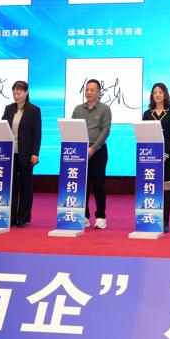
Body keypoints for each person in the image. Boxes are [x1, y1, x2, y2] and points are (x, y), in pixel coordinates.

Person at [1, 80, 42, 227]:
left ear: (26, 93)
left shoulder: (34, 110)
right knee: (11, 185)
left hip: (26, 153)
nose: (16, 96)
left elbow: (37, 133)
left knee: (26, 186)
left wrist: (35, 153)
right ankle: (11, 216)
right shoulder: (8, 109)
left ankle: (23, 217)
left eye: (19, 93)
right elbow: (2, 127)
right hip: (9, 153)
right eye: (14, 93)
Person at [72, 79, 111, 229]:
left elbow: (105, 131)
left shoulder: (105, 109)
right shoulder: (78, 109)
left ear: (99, 92)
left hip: (98, 151)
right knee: (83, 185)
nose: (88, 92)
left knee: (99, 184)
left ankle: (101, 216)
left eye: (92, 90)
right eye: (87, 89)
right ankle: (84, 216)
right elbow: (73, 128)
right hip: (80, 151)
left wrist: (93, 148)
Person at [144, 83, 170, 232]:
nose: (157, 95)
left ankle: (165, 221)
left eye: (160, 92)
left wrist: (165, 154)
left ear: (165, 95)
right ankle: (151, 217)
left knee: (166, 186)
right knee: (151, 186)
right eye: (154, 92)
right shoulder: (147, 114)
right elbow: (144, 135)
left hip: (167, 156)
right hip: (150, 156)